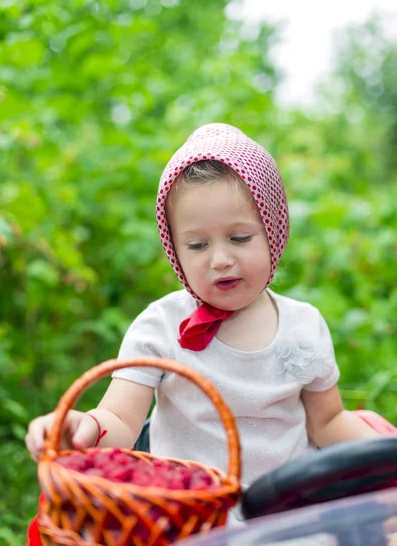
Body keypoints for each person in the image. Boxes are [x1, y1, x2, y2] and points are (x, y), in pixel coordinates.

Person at [25, 123, 396, 539]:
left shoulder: (303, 326)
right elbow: (120, 419)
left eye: (239, 238)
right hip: (190, 519)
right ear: (175, 250)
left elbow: (328, 423)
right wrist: (85, 427)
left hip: (288, 515)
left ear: (273, 232)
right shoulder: (161, 326)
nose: (220, 259)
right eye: (197, 246)